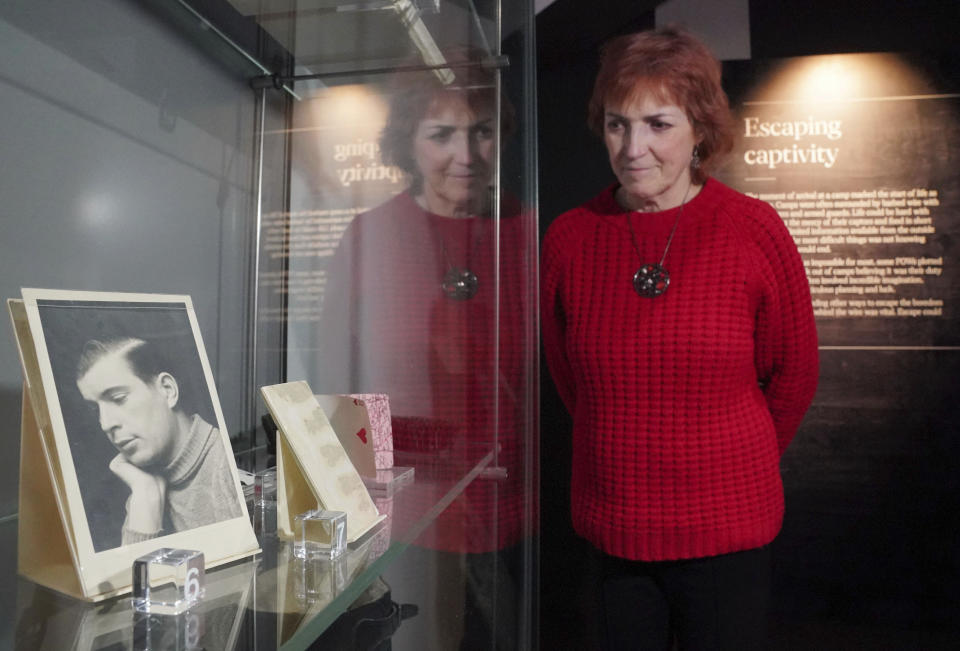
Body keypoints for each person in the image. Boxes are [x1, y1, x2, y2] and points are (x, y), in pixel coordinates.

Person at [540, 27, 819, 650]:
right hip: (616, 528)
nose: (633, 148)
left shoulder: (753, 230)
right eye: (617, 124)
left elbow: (794, 372)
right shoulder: (570, 237)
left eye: (657, 124)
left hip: (728, 532)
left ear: (701, 129)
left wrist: (725, 468)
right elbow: (569, 374)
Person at [318, 49, 534, 650]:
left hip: (505, 507)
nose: (466, 156)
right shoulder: (371, 236)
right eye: (442, 135)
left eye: (482, 132)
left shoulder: (526, 230)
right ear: (407, 143)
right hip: (402, 517)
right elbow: (337, 380)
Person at [76, 336, 244, 545]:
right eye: (96, 409)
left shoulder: (230, 466)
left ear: (167, 390)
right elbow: (133, 577)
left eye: (118, 399)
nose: (105, 424)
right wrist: (145, 496)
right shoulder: (143, 490)